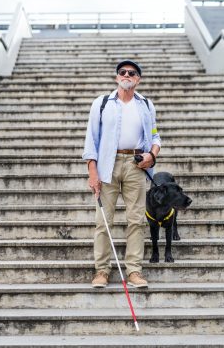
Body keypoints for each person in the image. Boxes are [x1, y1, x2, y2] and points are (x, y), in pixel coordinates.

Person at [82, 60, 161, 288]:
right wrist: (92, 172)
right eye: (122, 72)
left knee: (136, 220)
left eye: (132, 73)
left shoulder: (146, 105)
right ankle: (102, 271)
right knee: (103, 221)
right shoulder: (102, 103)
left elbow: (155, 136)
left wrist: (152, 156)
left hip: (137, 165)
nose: (126, 75)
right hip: (108, 163)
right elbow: (91, 139)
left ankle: (134, 271)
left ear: (138, 79)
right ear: (117, 77)